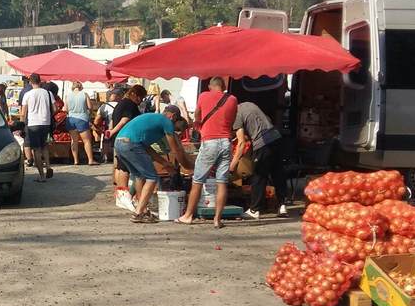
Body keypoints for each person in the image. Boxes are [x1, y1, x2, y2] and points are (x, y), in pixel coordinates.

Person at [178, 77, 239, 228]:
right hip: (226, 142)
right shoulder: (232, 99)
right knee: (222, 182)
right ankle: (217, 219)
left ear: (210, 86)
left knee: (198, 180)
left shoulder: (204, 96)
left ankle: (188, 215)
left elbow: (197, 116)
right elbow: (232, 121)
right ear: (223, 87)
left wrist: (199, 126)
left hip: (210, 142)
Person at [115, 106, 192, 222]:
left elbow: (147, 149)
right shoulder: (167, 122)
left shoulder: (154, 121)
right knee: (152, 178)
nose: (174, 132)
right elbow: (175, 150)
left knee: (139, 176)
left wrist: (165, 163)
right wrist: (187, 166)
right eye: (175, 130)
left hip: (119, 143)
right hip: (131, 143)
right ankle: (138, 213)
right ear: (173, 116)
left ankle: (143, 210)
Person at [230, 101, 289, 219]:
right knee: (277, 173)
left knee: (259, 176)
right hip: (276, 138)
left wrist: (232, 166)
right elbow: (265, 120)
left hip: (263, 143)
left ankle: (254, 209)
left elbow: (241, 143)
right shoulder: (250, 105)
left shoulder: (235, 115)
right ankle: (282, 205)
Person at [106, 84, 147, 209]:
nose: (140, 100)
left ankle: (120, 194)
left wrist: (112, 131)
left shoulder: (121, 103)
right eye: (140, 97)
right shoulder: (130, 104)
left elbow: (114, 120)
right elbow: (125, 120)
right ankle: (124, 195)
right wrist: (112, 131)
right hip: (126, 138)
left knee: (120, 166)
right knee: (124, 168)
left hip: (118, 138)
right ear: (134, 94)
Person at [20, 74, 55, 183]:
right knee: (44, 146)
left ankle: (42, 176)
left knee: (36, 150)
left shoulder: (27, 94)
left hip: (33, 124)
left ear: (30, 82)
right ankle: (48, 166)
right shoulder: (48, 93)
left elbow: (23, 113)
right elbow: (54, 108)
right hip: (46, 123)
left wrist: (21, 125)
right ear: (40, 81)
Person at [64, 82, 98, 165]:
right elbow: (90, 107)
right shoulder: (84, 94)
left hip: (71, 119)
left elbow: (65, 109)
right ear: (81, 87)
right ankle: (90, 160)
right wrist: (89, 113)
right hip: (82, 118)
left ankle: (76, 160)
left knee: (74, 140)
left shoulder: (67, 96)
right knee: (86, 141)